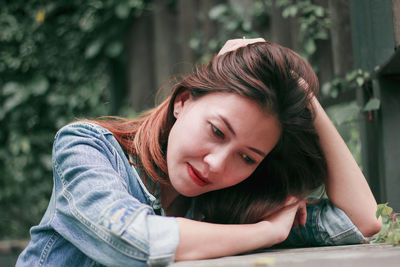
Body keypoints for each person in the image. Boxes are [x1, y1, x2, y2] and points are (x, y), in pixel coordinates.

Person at [16, 38, 381, 267]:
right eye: (218, 131)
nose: (217, 165)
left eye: (248, 157)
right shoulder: (86, 146)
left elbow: (361, 221)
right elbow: (133, 242)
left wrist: (303, 96)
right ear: (184, 102)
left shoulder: (226, 204)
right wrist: (266, 231)